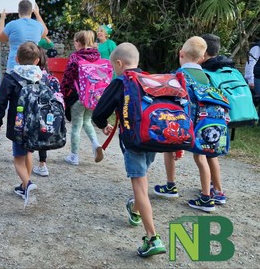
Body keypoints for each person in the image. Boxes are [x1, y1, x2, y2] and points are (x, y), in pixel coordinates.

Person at [92, 42, 167, 257]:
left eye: (113, 66)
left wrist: (103, 125)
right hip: (154, 139)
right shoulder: (149, 79)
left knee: (140, 186)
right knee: (141, 182)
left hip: (133, 141)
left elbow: (98, 114)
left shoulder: (120, 82)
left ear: (119, 63)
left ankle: (153, 238)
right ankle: (135, 208)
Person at [155, 34, 228, 210]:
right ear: (203, 58)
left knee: (169, 149)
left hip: (186, 123)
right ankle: (206, 196)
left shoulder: (178, 75)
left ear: (181, 54)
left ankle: (170, 185)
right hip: (206, 124)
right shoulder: (208, 77)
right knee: (200, 156)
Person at [0, 42, 42, 207]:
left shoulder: (11, 78)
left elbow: (0, 102)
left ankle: (28, 185)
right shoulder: (41, 77)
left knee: (18, 159)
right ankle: (24, 185)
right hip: (35, 124)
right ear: (36, 61)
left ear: (16, 59)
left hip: (18, 125)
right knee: (28, 153)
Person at [60, 31, 104, 165]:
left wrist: (62, 94)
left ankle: (74, 156)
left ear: (79, 43)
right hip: (94, 96)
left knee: (76, 127)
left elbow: (67, 79)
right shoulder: (98, 56)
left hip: (78, 96)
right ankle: (96, 144)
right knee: (87, 121)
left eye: (75, 41)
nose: (74, 44)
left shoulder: (75, 57)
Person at [33, 46, 64, 177]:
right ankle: (42, 163)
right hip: (48, 114)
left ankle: (25, 160)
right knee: (43, 135)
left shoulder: (30, 77)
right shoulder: (51, 78)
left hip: (33, 111)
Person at [0, 0, 48, 72]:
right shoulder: (38, 25)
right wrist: (38, 15)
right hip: (33, 65)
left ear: (18, 11)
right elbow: (45, 32)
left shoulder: (12, 25)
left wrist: (2, 18)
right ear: (31, 11)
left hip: (14, 65)